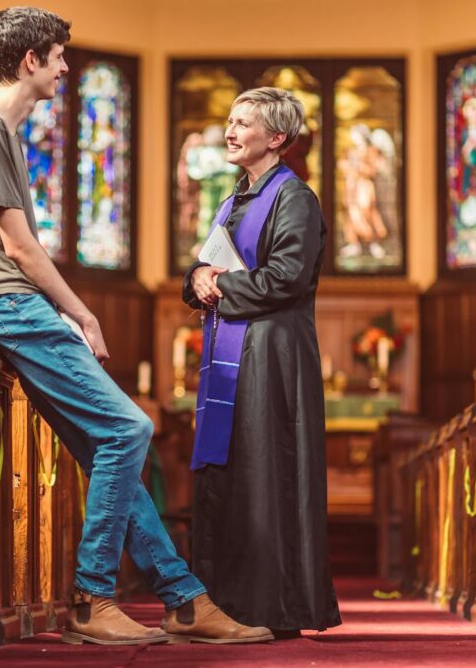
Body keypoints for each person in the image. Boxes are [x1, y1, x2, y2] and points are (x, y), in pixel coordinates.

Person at [0, 6, 272, 646]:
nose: (66, 68)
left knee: (108, 443)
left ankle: (183, 601)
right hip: (5, 304)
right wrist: (83, 312)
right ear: (31, 61)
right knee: (130, 427)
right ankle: (92, 597)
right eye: (59, 57)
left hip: (12, 305)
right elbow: (18, 248)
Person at [183, 87, 342, 638]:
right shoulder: (233, 201)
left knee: (263, 471)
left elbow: (287, 277)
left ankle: (268, 607)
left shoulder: (294, 197)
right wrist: (198, 278)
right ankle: (220, 606)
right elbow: (207, 266)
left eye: (243, 123)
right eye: (230, 120)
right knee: (228, 473)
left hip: (271, 354)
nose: (230, 130)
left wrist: (219, 283)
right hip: (232, 348)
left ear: (276, 138)